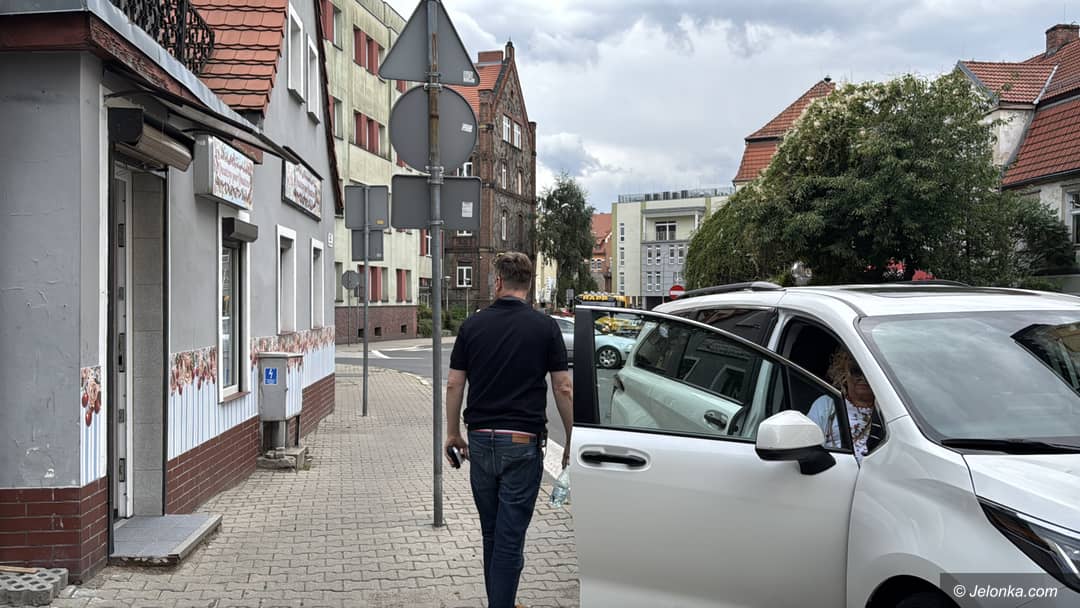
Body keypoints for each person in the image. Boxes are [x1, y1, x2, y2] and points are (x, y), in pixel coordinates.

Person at [444, 251, 574, 608]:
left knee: (493, 534)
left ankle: (500, 601)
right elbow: (563, 388)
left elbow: (454, 384)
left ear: (498, 282)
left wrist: (453, 433)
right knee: (510, 539)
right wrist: (572, 438)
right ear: (528, 285)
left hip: (480, 441)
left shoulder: (472, 326)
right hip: (522, 443)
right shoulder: (545, 327)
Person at [807, 347, 877, 461]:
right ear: (843, 372)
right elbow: (808, 448)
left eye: (869, 372)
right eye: (856, 370)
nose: (863, 377)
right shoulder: (827, 404)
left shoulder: (889, 409)